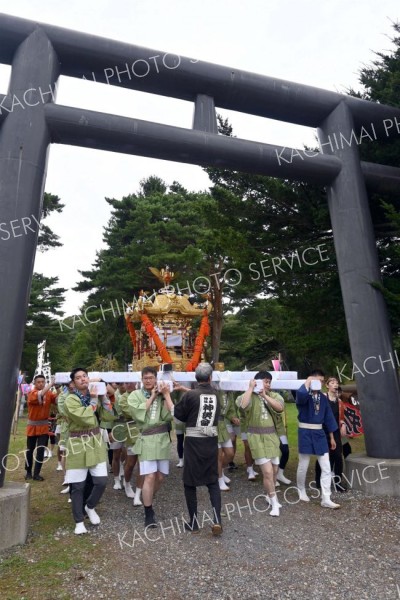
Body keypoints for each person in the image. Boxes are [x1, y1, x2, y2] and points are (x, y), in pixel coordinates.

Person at [63, 367, 115, 535]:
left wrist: (103, 396)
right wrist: (94, 400)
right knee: (78, 485)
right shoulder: (70, 399)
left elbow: (110, 415)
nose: (83, 379)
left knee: (101, 481)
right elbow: (83, 417)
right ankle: (79, 521)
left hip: (95, 441)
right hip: (78, 442)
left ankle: (90, 506)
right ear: (74, 383)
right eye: (78, 378)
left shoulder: (95, 395)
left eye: (85, 376)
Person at [174, 363, 222, 535]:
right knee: (212, 481)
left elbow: (179, 414)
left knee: (189, 482)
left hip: (194, 443)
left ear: (196, 378)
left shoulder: (191, 396)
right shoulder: (216, 395)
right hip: (210, 442)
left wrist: (167, 395)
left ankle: (193, 522)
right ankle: (217, 520)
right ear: (210, 378)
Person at [127, 367, 174, 528]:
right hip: (146, 438)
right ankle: (148, 512)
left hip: (162, 439)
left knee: (160, 477)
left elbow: (170, 415)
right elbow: (138, 413)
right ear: (141, 379)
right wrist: (153, 395)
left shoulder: (162, 395)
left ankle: (148, 499)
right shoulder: (135, 395)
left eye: (151, 378)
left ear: (156, 379)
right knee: (149, 476)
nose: (148, 380)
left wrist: (166, 395)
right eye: (145, 378)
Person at [236, 371, 283, 517]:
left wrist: (264, 395)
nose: (267, 384)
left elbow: (280, 407)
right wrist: (251, 388)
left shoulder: (274, 395)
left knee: (274, 470)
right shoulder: (247, 395)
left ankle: (270, 495)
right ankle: (275, 503)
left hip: (272, 436)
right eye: (264, 381)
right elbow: (242, 406)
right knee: (267, 472)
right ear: (257, 381)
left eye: (269, 382)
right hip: (256, 436)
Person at [296, 370, 340, 509]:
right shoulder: (304, 393)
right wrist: (308, 381)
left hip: (320, 433)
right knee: (304, 464)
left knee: (326, 467)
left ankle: (326, 498)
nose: (320, 383)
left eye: (322, 381)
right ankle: (301, 489)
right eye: (318, 380)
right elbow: (300, 398)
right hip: (305, 431)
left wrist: (332, 437)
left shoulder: (323, 398)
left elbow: (329, 418)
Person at [315, 377, 347, 493]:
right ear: (327, 385)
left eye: (337, 383)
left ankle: (338, 483)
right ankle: (319, 480)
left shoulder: (339, 402)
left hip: (336, 431)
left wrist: (343, 424)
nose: (335, 384)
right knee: (323, 456)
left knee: (338, 457)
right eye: (332, 383)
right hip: (323, 431)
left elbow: (341, 418)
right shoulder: (322, 397)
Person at [25, 374, 58, 481]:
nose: (41, 384)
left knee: (40, 450)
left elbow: (58, 400)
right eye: (38, 382)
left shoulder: (48, 393)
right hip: (33, 426)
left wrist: (58, 388)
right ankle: (28, 472)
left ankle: (36, 474)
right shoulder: (31, 393)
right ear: (35, 383)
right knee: (30, 450)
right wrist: (51, 384)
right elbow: (40, 394)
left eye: (43, 382)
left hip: (43, 426)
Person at [117, 381, 143, 505]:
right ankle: (127, 483)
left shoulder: (142, 393)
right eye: (126, 383)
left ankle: (138, 493)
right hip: (132, 432)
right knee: (131, 463)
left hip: (145, 431)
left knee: (142, 464)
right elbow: (130, 412)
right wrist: (143, 409)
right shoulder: (123, 398)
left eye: (131, 382)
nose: (128, 385)